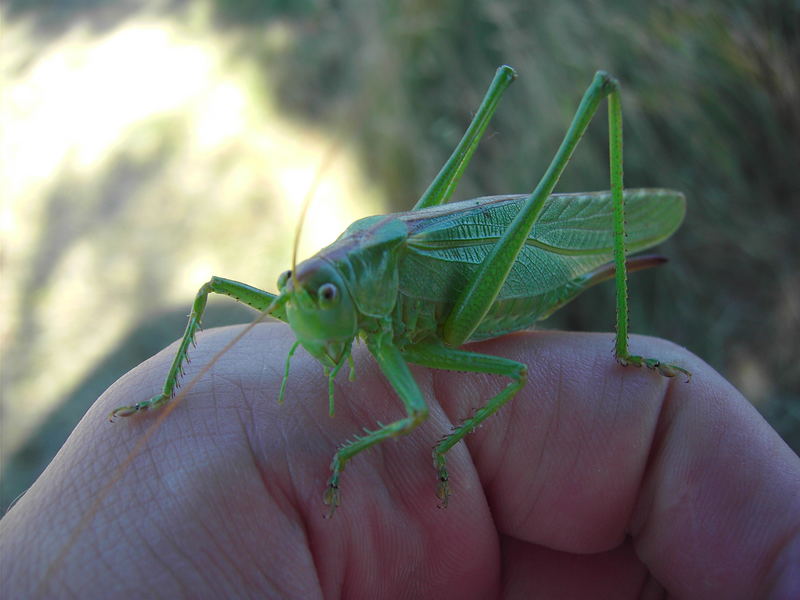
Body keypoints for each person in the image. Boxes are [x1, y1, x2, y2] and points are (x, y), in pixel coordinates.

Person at [2, 324, 798, 598]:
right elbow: (216, 291)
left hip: (468, 290)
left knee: (456, 400)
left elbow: (432, 408)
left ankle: (628, 347)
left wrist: (422, 455)